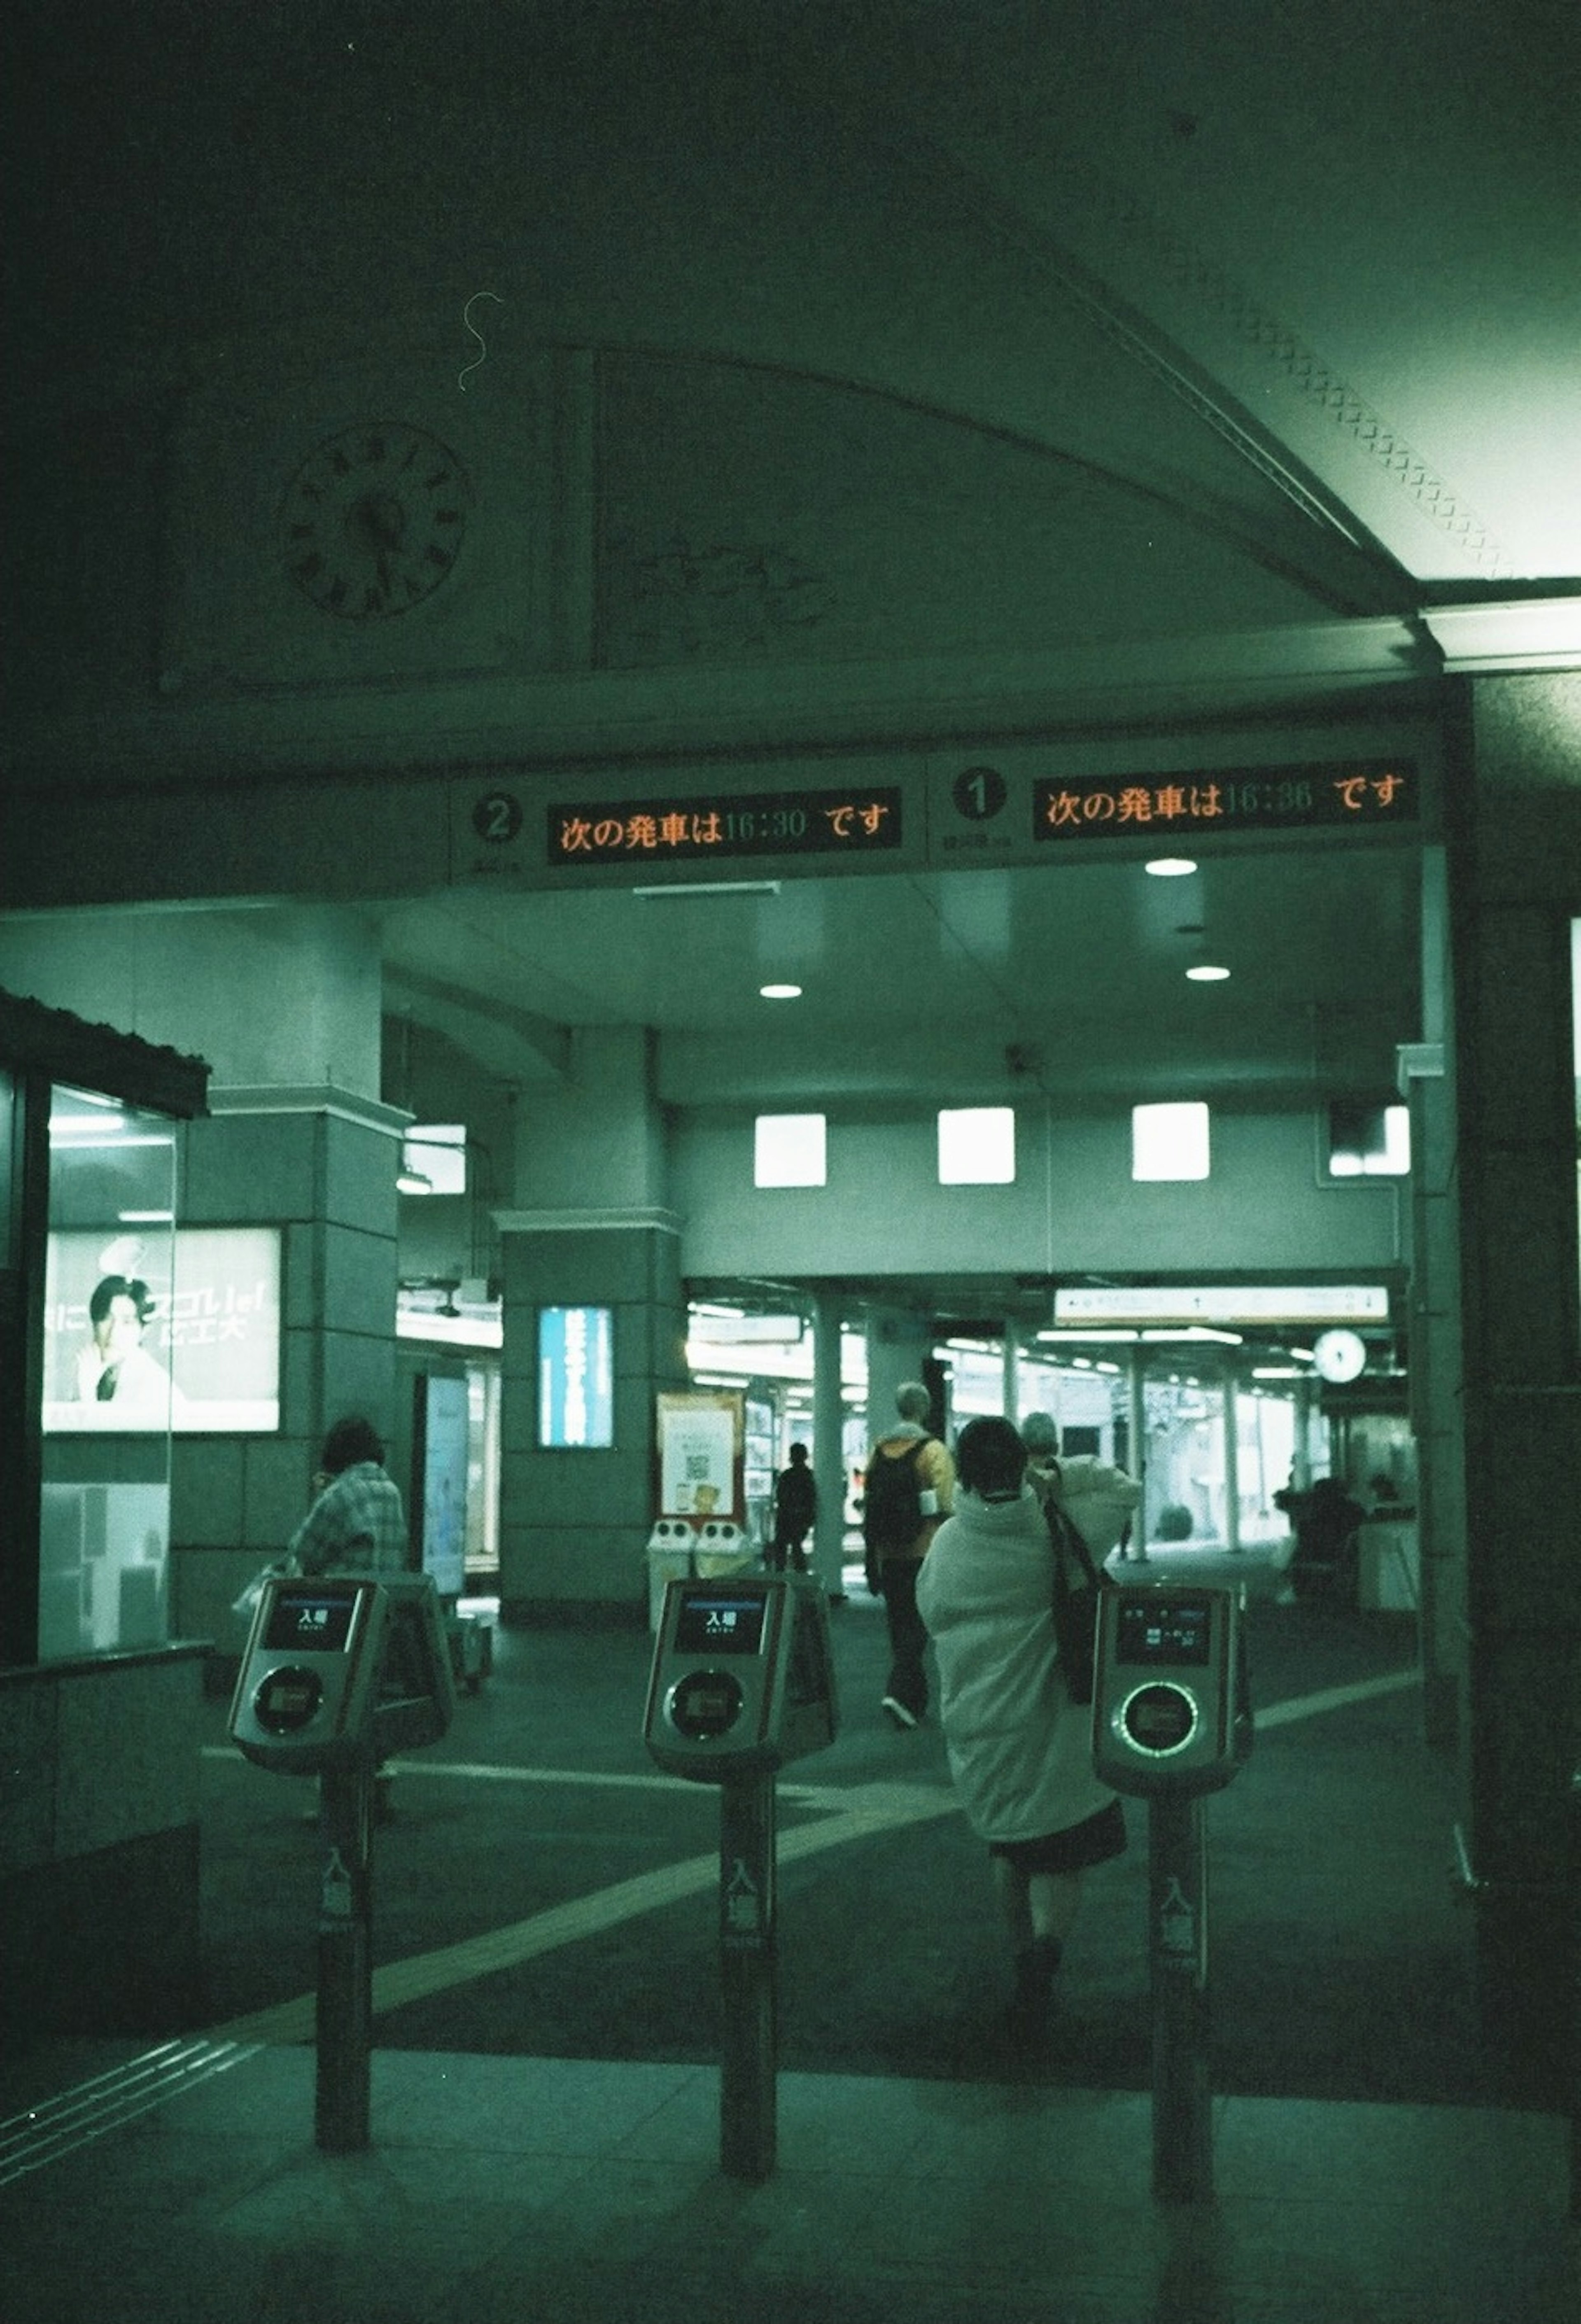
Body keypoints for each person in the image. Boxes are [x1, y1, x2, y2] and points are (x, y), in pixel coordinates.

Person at [916, 1415, 1126, 2028]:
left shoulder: (951, 1544)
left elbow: (931, 1612)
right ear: (1022, 1463)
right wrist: (1058, 1474)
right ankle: (1047, 1954)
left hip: (980, 1725)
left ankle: (1020, 1958)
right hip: (1052, 1720)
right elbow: (1122, 1487)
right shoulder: (1057, 1528)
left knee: (1008, 1845)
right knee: (1059, 1851)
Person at [862, 1380, 954, 1729]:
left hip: (889, 1552)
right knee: (918, 1624)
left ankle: (913, 1704)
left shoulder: (879, 1450)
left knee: (898, 1622)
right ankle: (898, 1690)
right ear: (925, 1410)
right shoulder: (933, 1452)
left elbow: (870, 1501)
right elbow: (947, 1504)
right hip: (924, 1550)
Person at [290, 1415, 408, 1578]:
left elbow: (303, 1553)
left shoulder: (340, 1494)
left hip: (344, 1598)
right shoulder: (392, 1493)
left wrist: (325, 1495)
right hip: (382, 1598)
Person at [75, 1274, 183, 1416]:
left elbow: (105, 1437)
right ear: (94, 1322)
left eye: (127, 1322)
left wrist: (87, 1395)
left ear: (144, 1330)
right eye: (106, 1319)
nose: (114, 1332)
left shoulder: (152, 1385)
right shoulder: (97, 1370)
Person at [766, 1441, 816, 1573]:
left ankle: (780, 1573)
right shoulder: (810, 1476)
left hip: (785, 1517)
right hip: (801, 1517)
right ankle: (801, 1573)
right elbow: (812, 1499)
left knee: (781, 1548)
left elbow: (780, 1497)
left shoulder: (786, 1476)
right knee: (797, 1546)